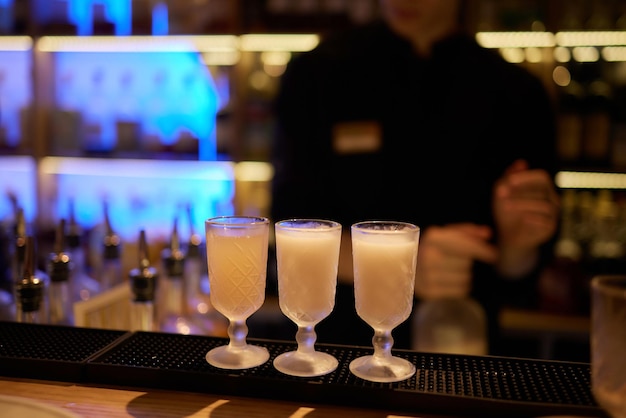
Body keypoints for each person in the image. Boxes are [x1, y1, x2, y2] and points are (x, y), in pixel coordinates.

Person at [269, 0, 561, 355]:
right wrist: (406, 268)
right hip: (333, 349)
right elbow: (286, 230)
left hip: (461, 347)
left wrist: (520, 239)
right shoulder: (318, 73)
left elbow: (520, 271)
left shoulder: (518, 93)